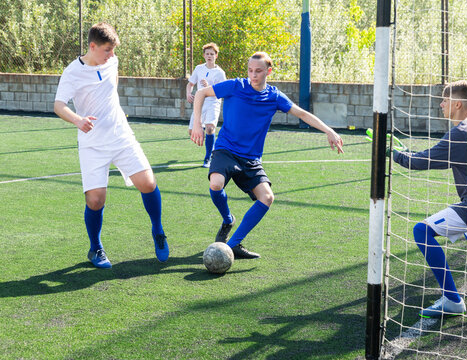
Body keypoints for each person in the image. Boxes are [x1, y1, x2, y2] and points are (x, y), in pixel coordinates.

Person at [190, 52, 344, 259]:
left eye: (258, 71)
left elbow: (302, 114)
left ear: (268, 71)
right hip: (226, 148)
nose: (253, 75)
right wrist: (198, 124)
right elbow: (200, 94)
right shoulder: (235, 86)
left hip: (251, 159)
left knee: (267, 197)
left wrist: (329, 131)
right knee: (216, 183)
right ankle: (228, 219)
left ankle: (234, 244)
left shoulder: (274, 96)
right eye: (250, 70)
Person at [53, 22, 169, 269]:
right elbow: (59, 105)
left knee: (148, 183)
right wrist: (78, 119)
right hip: (92, 144)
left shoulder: (111, 62)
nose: (112, 55)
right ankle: (95, 248)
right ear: (92, 46)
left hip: (121, 137)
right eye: (107, 50)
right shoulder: (72, 72)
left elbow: (112, 84)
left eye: (113, 50)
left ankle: (158, 230)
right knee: (95, 200)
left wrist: (112, 109)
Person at [391, 80, 467, 318]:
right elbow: (429, 155)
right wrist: (407, 153)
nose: (441, 104)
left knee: (421, 231)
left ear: (457, 104)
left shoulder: (460, 134)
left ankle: (452, 300)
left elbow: (421, 162)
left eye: (444, 100)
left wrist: (393, 154)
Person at [186, 43, 226, 168]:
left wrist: (209, 87)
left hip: (213, 102)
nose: (209, 56)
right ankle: (208, 137)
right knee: (192, 132)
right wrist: (188, 93)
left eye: (212, 54)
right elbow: (190, 84)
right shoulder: (199, 68)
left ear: (216, 56)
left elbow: (223, 91)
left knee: (209, 128)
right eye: (207, 54)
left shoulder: (220, 73)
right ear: (204, 55)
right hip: (200, 102)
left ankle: (208, 157)